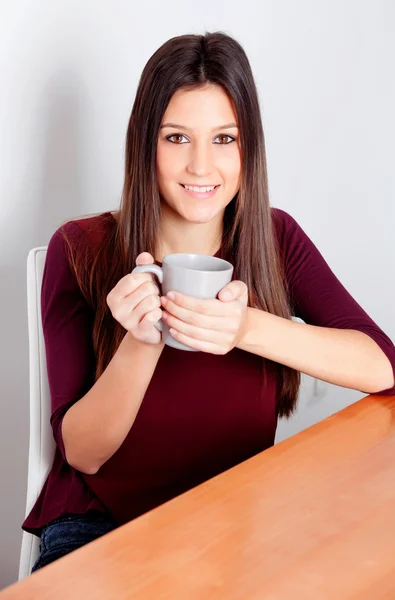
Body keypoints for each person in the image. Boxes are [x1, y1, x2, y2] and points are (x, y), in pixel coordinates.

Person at [23, 31, 395, 574]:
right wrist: (141, 342)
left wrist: (244, 328)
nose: (202, 167)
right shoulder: (80, 250)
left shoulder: (274, 238)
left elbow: (380, 364)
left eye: (225, 139)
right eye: (177, 138)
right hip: (99, 524)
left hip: (234, 517)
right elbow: (84, 454)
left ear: (249, 150)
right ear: (145, 142)